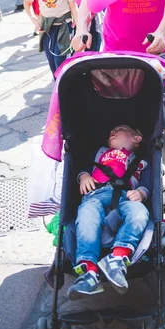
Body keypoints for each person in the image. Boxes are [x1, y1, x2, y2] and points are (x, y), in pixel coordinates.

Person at [67, 125, 150, 299]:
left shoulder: (141, 161)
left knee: (139, 212)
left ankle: (116, 259)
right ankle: (88, 271)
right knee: (86, 215)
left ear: (136, 138)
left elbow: (149, 183)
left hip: (126, 196)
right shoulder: (100, 152)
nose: (112, 131)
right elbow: (84, 167)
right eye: (110, 129)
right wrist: (83, 176)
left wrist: (142, 192)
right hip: (95, 194)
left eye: (119, 128)